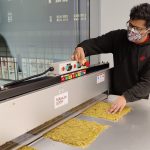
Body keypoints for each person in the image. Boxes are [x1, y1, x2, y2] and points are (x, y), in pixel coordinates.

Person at [72, 3, 150, 114]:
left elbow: (147, 84)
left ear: (148, 29)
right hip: (114, 97)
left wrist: (125, 98)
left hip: (137, 101)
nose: (132, 31)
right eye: (130, 25)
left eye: (137, 28)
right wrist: (82, 48)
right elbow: (96, 43)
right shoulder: (118, 37)